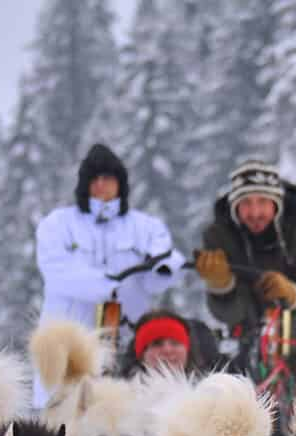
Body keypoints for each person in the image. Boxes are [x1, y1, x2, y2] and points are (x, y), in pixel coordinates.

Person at [35, 143, 185, 405]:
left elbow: (159, 270)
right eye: (94, 179)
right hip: (71, 346)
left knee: (125, 417)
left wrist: (164, 270)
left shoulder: (146, 227)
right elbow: (58, 272)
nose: (101, 185)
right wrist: (107, 287)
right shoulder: (58, 224)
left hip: (127, 343)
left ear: (121, 184)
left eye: (108, 178)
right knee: (65, 415)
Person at [193, 159, 296, 400]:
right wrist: (221, 287)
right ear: (235, 207)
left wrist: (293, 295)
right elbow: (231, 315)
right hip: (250, 348)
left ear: (277, 203)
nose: (255, 212)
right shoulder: (219, 235)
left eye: (262, 202)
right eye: (246, 203)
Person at [112, 309, 231, 379]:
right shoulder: (121, 399)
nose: (168, 350)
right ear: (142, 355)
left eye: (175, 343)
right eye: (157, 344)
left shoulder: (212, 394)